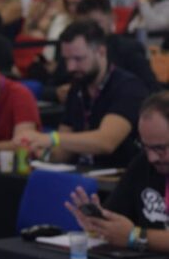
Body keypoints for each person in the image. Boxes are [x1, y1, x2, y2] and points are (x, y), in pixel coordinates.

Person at [24, 20, 150, 168]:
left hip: (117, 178)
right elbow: (64, 151)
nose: (70, 67)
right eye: (66, 60)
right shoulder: (77, 88)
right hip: (81, 174)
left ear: (101, 52)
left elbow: (106, 142)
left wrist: (52, 138)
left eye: (78, 59)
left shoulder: (128, 87)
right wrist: (41, 152)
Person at [66, 92, 169, 253]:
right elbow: (116, 218)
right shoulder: (142, 164)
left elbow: (129, 235)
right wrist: (99, 225)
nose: (152, 157)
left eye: (160, 148)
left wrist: (135, 236)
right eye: (145, 146)